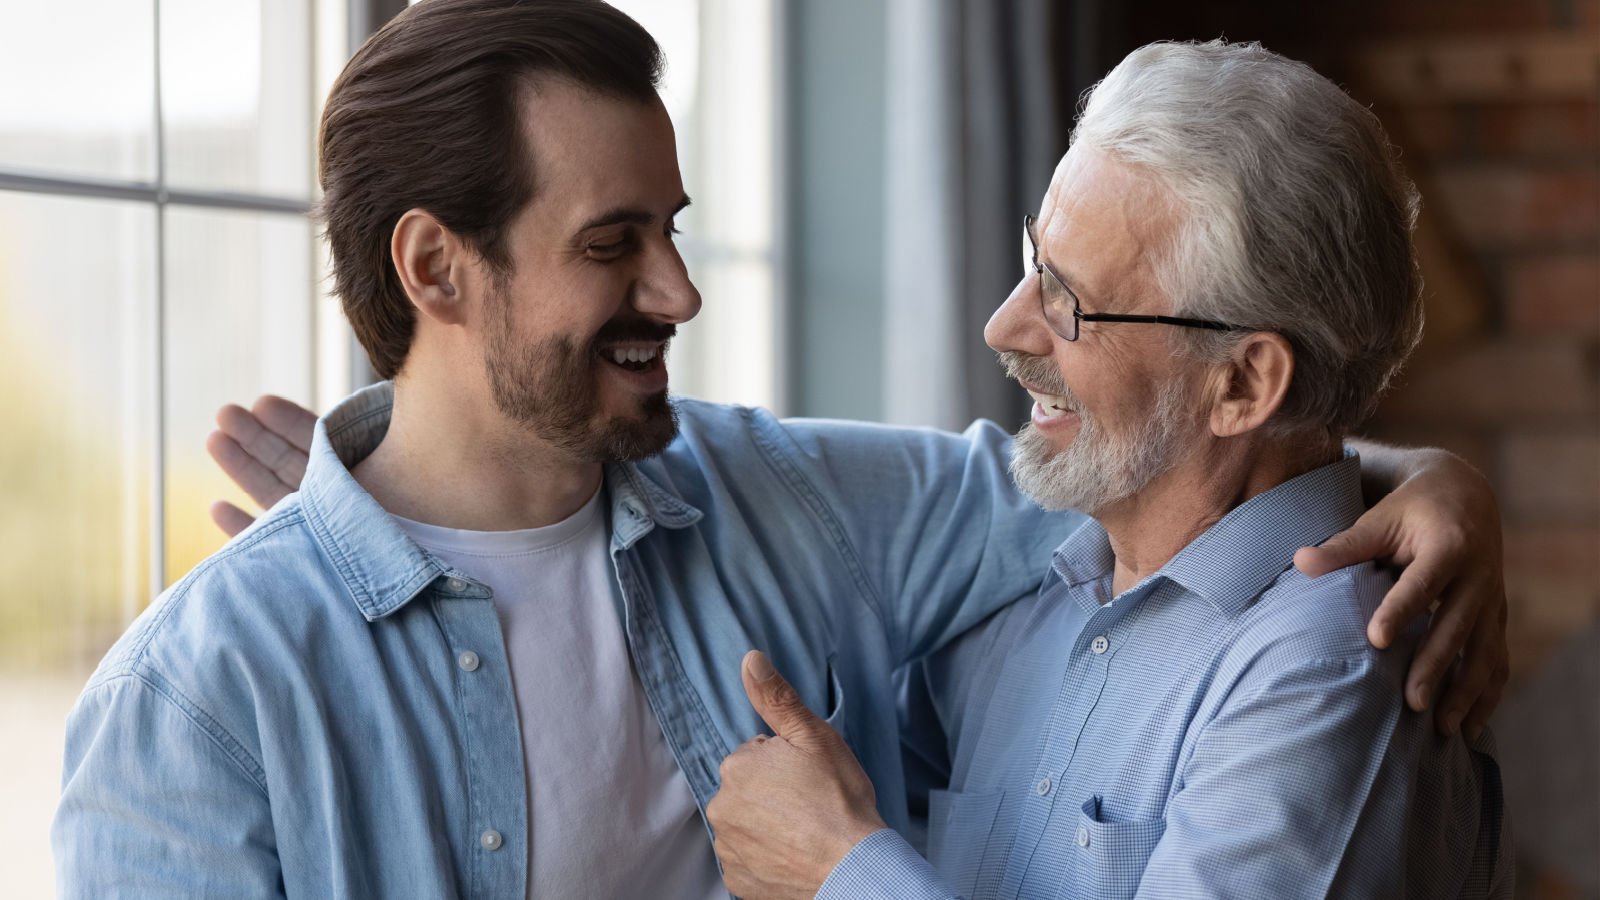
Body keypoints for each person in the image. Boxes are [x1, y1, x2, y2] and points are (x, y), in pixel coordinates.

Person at [55, 2, 1506, 896]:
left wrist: (1423, 476)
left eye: (673, 231)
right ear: (437, 270)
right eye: (614, 243)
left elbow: (1203, 478)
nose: (680, 294)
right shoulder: (203, 704)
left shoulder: (819, 512)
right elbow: (1183, 458)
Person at [706, 40, 1512, 899]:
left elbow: (850, 851)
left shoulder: (1332, 672)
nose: (1004, 327)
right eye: (1034, 263)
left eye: (1069, 300)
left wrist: (841, 873)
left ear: (1241, 384)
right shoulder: (1029, 580)